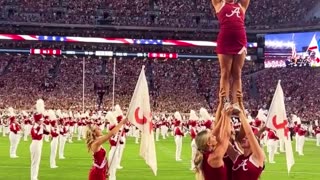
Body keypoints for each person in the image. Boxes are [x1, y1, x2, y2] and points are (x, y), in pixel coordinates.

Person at [211, 0, 250, 120]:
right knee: (225, 73)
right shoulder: (219, 4)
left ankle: (237, 102)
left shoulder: (241, 5)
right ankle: (225, 101)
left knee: (237, 74)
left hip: (240, 41)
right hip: (225, 40)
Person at [86, 112, 127, 180]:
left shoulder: (97, 141)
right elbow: (111, 134)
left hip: (101, 171)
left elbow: (103, 159)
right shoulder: (96, 143)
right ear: (94, 133)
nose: (100, 129)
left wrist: (106, 170)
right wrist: (121, 123)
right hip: (97, 173)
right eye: (98, 129)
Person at [194, 108, 232, 180]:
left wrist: (223, 116)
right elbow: (226, 135)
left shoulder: (206, 154)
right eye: (212, 136)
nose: (214, 136)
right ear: (208, 143)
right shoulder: (214, 157)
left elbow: (215, 132)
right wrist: (227, 116)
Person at [227, 110, 265, 180]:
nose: (244, 139)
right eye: (244, 137)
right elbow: (224, 141)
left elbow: (250, 134)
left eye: (247, 138)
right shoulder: (238, 157)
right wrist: (225, 116)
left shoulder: (257, 157)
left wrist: (240, 113)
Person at [30, 99, 49, 180]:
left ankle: (35, 177)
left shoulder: (40, 126)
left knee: (37, 162)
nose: (42, 121)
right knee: (35, 162)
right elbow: (35, 136)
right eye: (41, 120)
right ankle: (33, 177)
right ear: (38, 121)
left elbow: (48, 132)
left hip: (39, 143)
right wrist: (40, 128)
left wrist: (43, 127)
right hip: (35, 143)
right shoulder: (35, 127)